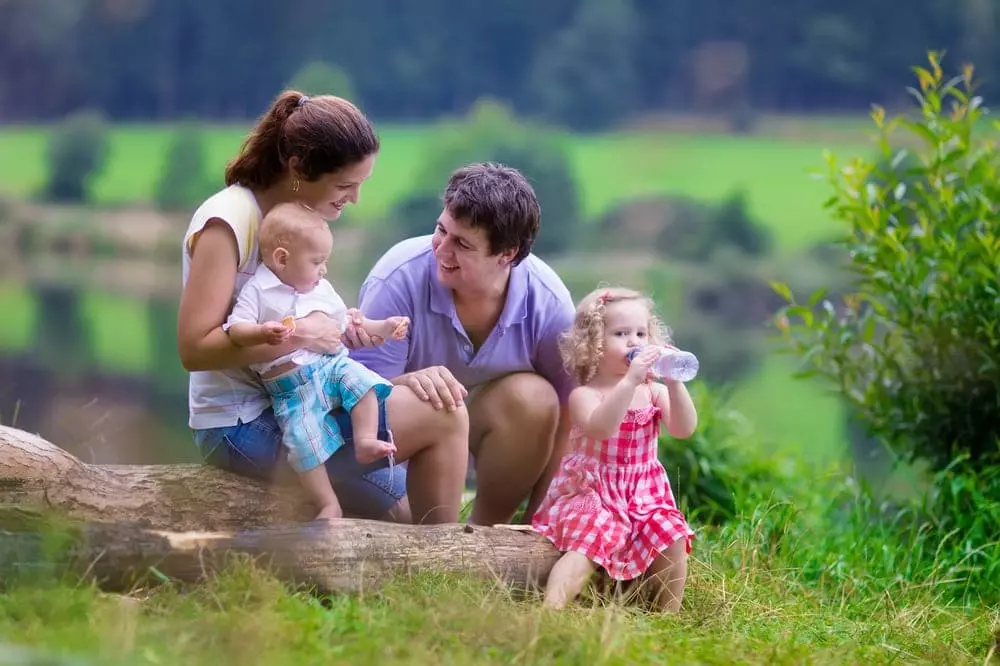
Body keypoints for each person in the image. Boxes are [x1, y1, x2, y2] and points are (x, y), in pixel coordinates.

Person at [176, 90, 468, 525]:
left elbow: (305, 315)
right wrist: (302, 335)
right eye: (345, 186)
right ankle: (446, 562)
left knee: (402, 514)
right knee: (445, 414)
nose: (354, 200)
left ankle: (436, 559)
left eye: (360, 186)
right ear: (298, 169)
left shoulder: (299, 225)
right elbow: (194, 349)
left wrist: (341, 331)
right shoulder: (229, 222)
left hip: (300, 400)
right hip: (240, 423)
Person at [348, 162, 577, 526]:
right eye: (441, 231)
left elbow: (574, 416)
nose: (441, 250)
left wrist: (544, 522)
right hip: (397, 436)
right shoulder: (397, 277)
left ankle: (487, 532)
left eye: (462, 244)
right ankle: (428, 529)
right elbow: (357, 394)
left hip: (489, 423)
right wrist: (409, 382)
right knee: (409, 519)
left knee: (536, 398)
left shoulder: (549, 304)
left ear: (506, 255)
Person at [225, 201, 410, 521]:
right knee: (302, 442)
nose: (324, 269)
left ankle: (365, 440)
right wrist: (259, 332)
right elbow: (234, 330)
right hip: (292, 388)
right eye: (317, 261)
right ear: (282, 259)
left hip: (332, 366)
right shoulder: (258, 291)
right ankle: (328, 503)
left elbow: (350, 322)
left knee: (363, 382)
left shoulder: (321, 288)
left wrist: (384, 327)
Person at [531, 286, 698, 611]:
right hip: (594, 491)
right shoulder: (586, 395)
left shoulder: (653, 392)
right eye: (621, 334)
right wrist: (629, 382)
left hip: (643, 493)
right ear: (593, 344)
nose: (635, 342)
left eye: (641, 333)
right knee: (588, 542)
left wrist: (675, 383)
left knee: (673, 533)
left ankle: (668, 616)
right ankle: (551, 608)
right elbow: (601, 428)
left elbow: (683, 429)